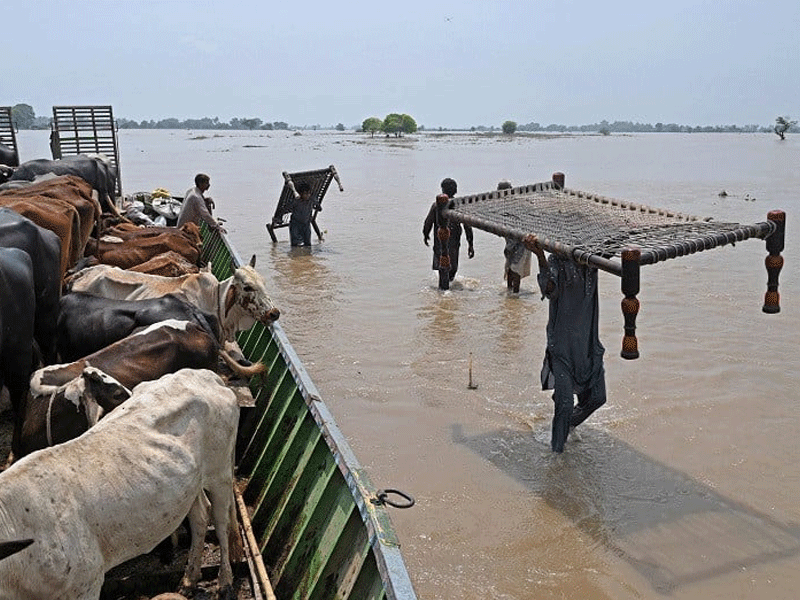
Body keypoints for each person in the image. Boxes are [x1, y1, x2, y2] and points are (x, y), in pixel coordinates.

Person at [525, 234, 607, 453]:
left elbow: (612, 250)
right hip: (562, 345)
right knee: (564, 404)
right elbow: (549, 290)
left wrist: (629, 232)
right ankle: (556, 458)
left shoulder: (591, 262)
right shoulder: (557, 261)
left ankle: (568, 424)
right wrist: (540, 255)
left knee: (599, 397)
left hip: (588, 344)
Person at [422, 177, 474, 282]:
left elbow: (428, 222)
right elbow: (467, 226)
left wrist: (425, 234)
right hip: (454, 242)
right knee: (452, 266)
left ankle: (443, 292)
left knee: (442, 265)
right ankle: (449, 288)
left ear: (442, 190)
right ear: (456, 190)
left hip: (440, 241)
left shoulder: (437, 205)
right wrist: (470, 244)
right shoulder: (459, 205)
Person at [498, 180, 531, 293]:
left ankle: (515, 294)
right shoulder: (501, 206)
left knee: (516, 269)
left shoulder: (517, 205)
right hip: (510, 243)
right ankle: (510, 291)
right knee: (509, 267)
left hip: (522, 242)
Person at [289, 181, 315, 247]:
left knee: (308, 244)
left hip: (306, 224)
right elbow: (286, 208)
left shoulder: (311, 200)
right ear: (300, 194)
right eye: (305, 194)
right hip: (295, 224)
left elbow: (318, 206)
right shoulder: (296, 201)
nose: (308, 195)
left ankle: (306, 256)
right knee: (295, 244)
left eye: (309, 193)